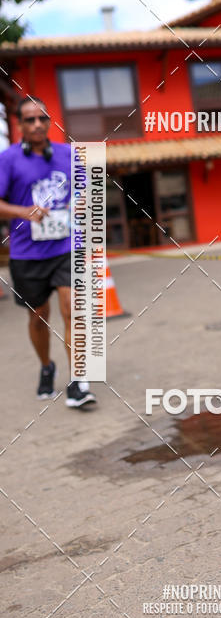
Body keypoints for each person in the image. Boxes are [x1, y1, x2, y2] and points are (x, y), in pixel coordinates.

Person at [0, 96, 96, 408]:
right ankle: (46, 366)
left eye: (42, 118)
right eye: (30, 119)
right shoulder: (8, 159)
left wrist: (82, 200)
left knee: (72, 309)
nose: (38, 124)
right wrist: (22, 211)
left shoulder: (69, 154)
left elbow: (86, 189)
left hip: (67, 247)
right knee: (39, 316)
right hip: (27, 254)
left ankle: (78, 382)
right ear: (20, 125)